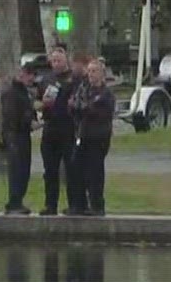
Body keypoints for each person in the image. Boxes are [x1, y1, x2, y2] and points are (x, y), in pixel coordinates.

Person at [69, 59, 117, 217]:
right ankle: (78, 205)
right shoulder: (84, 91)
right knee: (77, 169)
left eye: (94, 71)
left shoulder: (106, 94)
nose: (91, 75)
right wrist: (78, 108)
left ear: (102, 74)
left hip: (98, 138)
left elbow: (97, 112)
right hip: (83, 136)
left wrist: (83, 108)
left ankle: (97, 205)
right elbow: (75, 108)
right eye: (89, 71)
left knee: (95, 172)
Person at [37, 45, 81, 215]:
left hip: (67, 127)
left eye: (59, 60)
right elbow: (37, 101)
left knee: (71, 168)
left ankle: (74, 204)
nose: (56, 64)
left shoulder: (74, 79)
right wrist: (41, 104)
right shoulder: (46, 79)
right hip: (50, 127)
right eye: (53, 60)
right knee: (50, 169)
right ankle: (50, 204)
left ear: (65, 61)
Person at [0, 62, 38, 215]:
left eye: (32, 76)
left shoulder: (24, 93)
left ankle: (18, 200)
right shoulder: (12, 93)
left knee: (24, 170)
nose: (31, 79)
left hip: (22, 135)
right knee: (17, 170)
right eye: (29, 75)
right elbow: (12, 116)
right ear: (22, 74)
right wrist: (28, 121)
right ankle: (14, 202)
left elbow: (27, 111)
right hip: (15, 136)